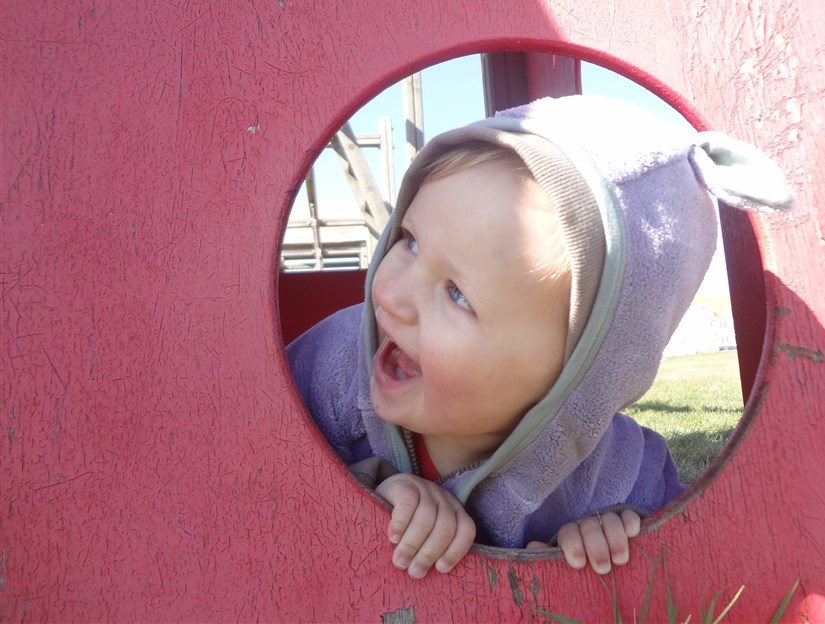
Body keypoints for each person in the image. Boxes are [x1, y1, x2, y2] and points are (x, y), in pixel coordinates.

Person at [287, 94, 792, 579]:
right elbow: (260, 456)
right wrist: (367, 492)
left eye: (458, 294)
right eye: (410, 241)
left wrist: (617, 532)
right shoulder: (334, 366)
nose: (393, 295)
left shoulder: (612, 473)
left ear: (575, 380)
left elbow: (681, 541)